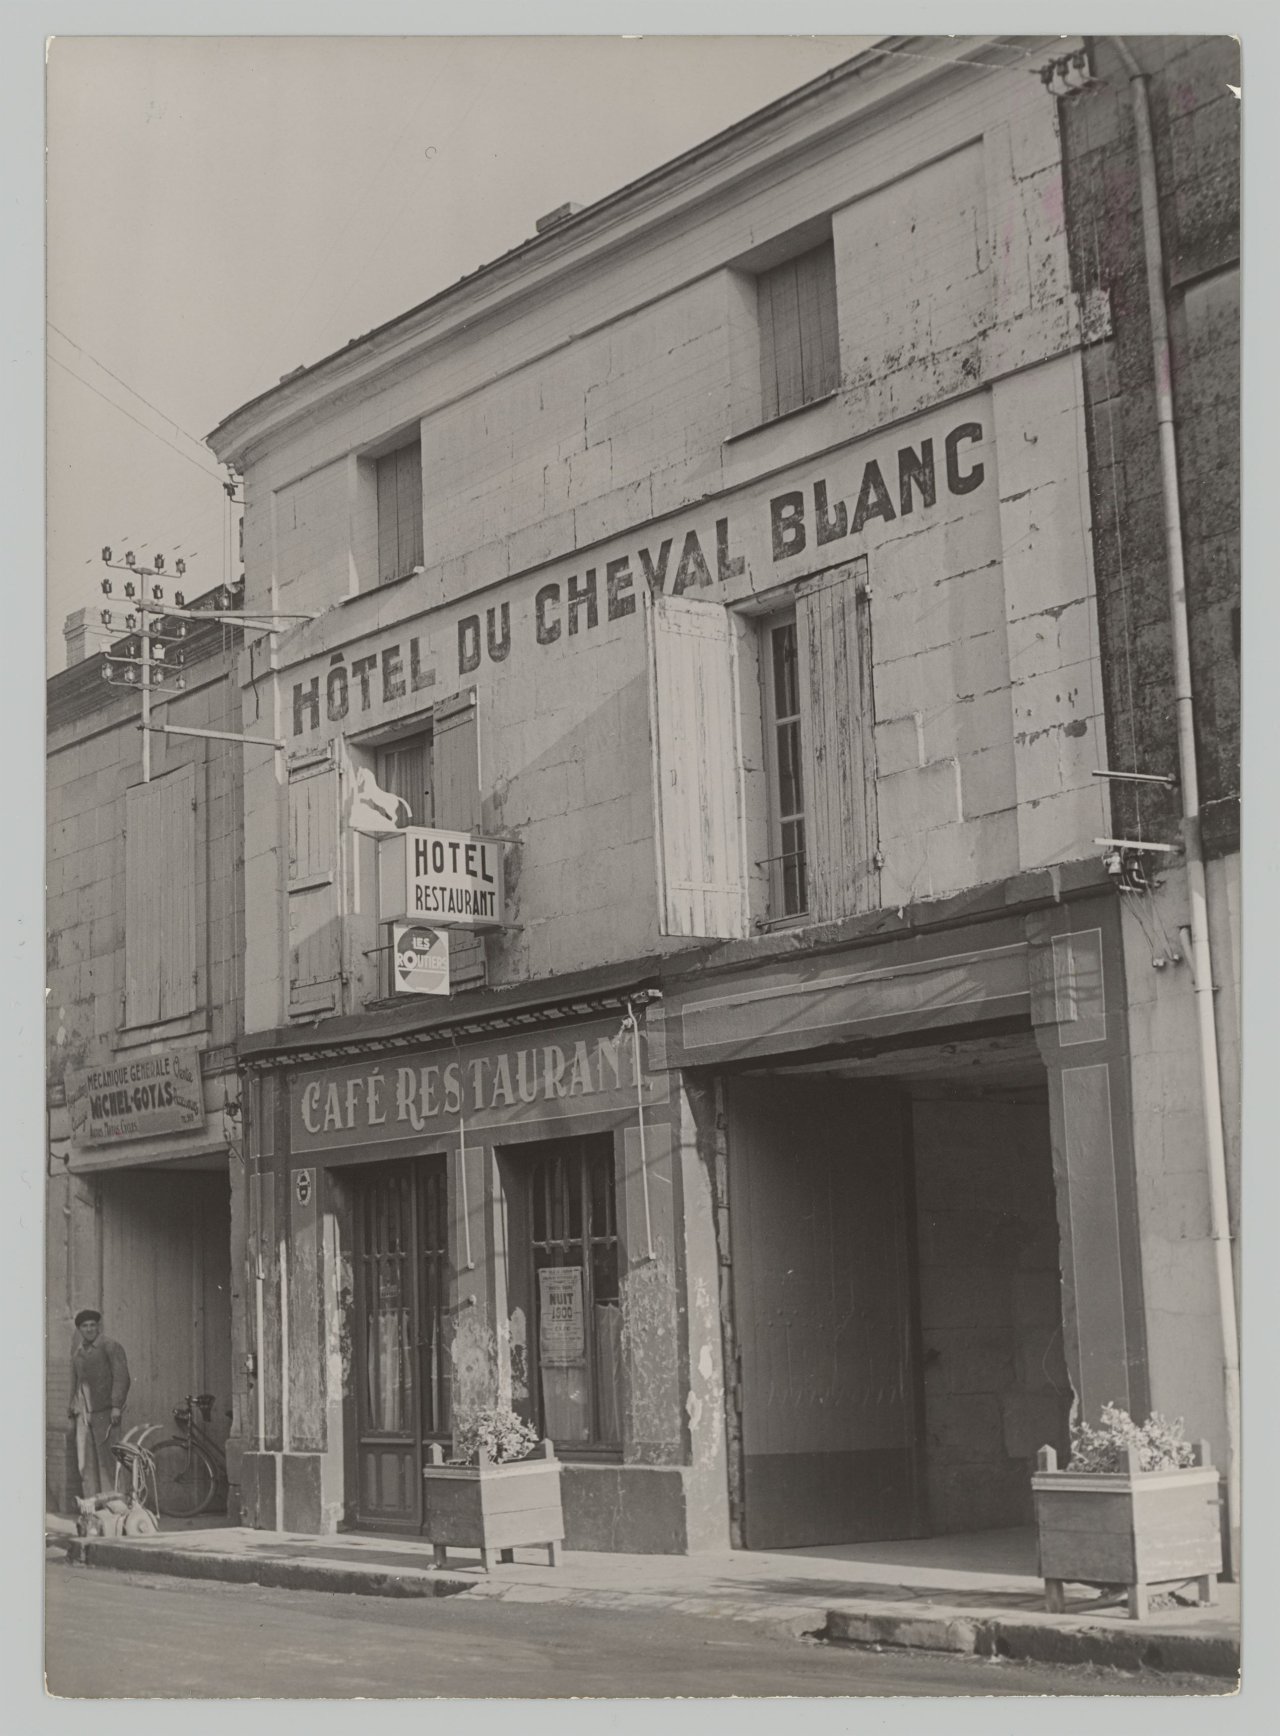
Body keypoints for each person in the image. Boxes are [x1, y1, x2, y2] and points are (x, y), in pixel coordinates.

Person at [67, 1308, 131, 1499]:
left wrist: (116, 1406)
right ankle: (93, 1507)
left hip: (106, 1413)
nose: (89, 1329)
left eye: (92, 1325)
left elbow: (122, 1377)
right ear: (79, 1329)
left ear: (98, 1326)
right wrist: (73, 1405)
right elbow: (77, 1381)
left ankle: (115, 1504)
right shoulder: (78, 1353)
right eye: (85, 1326)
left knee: (108, 1462)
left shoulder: (110, 1346)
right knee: (85, 1464)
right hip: (84, 1415)